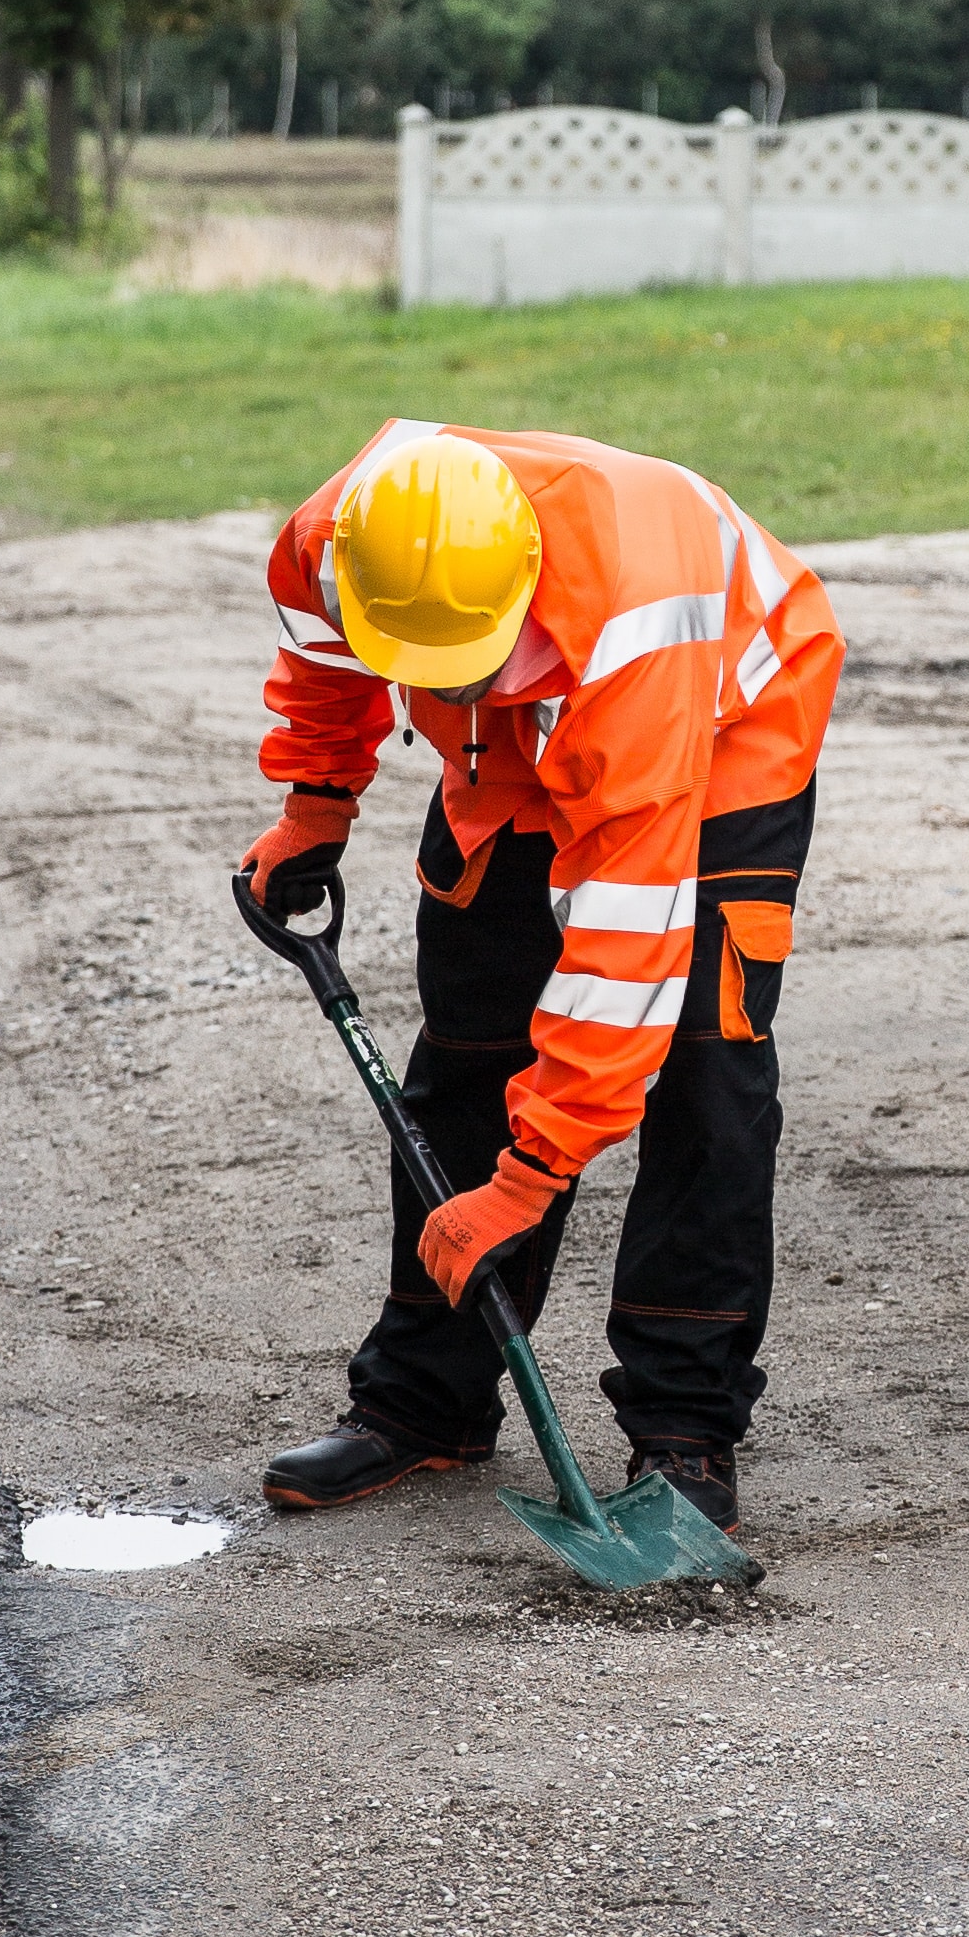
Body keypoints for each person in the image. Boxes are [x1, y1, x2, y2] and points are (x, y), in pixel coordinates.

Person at [239, 420, 841, 1545]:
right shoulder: (339, 543)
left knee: (701, 1062)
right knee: (472, 1041)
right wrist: (316, 802)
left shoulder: (639, 616)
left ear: (518, 588)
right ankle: (427, 1400)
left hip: (720, 726)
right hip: (508, 735)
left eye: (463, 657)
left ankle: (682, 1428)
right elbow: (327, 656)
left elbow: (625, 948)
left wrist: (530, 1176)